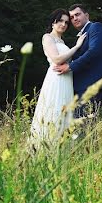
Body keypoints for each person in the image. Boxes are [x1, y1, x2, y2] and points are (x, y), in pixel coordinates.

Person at [30, 9, 87, 141]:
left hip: (67, 80)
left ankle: (62, 148)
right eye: (60, 21)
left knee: (65, 113)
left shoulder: (62, 42)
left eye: (66, 23)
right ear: (53, 22)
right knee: (53, 111)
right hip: (56, 79)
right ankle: (46, 145)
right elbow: (56, 59)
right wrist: (77, 46)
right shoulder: (47, 37)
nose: (63, 24)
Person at [53, 4, 102, 118]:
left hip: (92, 86)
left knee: (86, 129)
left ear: (87, 15)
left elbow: (94, 51)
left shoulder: (96, 27)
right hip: (79, 88)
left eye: (77, 14)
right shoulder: (80, 38)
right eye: (72, 17)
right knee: (81, 129)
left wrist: (70, 67)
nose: (74, 18)